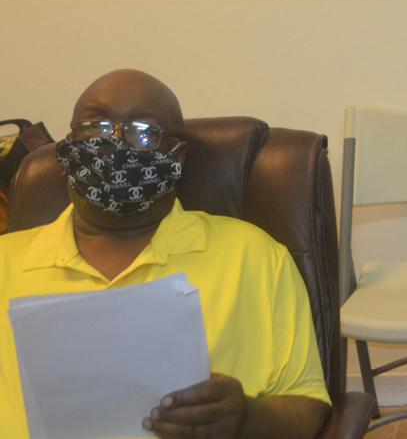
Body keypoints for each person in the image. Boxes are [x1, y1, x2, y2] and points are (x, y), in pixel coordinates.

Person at [0, 70, 331, 439]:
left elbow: (309, 410)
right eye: (96, 127)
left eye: (144, 132)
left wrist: (246, 417)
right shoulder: (4, 262)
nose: (115, 142)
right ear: (68, 145)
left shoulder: (254, 256)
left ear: (178, 155)